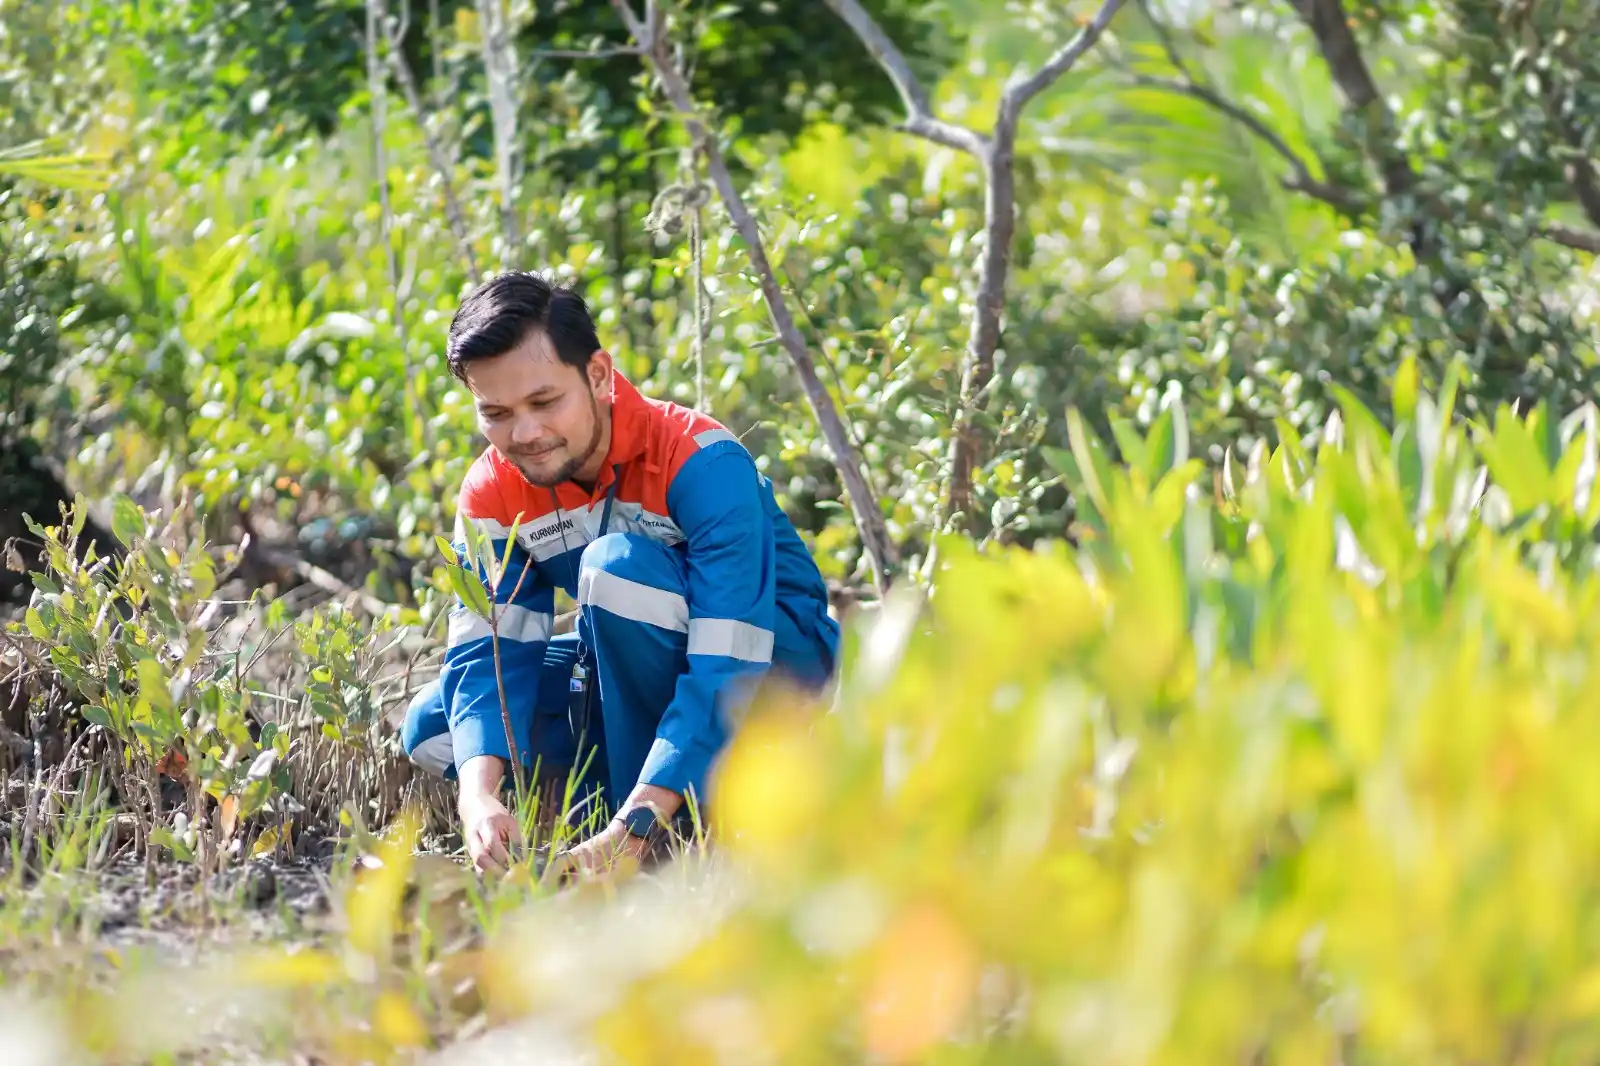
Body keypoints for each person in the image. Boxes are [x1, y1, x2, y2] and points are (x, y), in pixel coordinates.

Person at [400, 271, 841, 879]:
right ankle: (623, 812)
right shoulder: (490, 491)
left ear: (600, 377)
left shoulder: (701, 459)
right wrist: (479, 795)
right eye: (496, 413)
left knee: (615, 572)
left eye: (544, 402)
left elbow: (729, 658)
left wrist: (636, 821)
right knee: (434, 728)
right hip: (624, 674)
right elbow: (488, 654)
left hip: (767, 675)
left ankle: (653, 833)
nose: (524, 434)